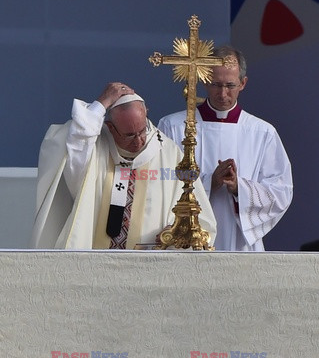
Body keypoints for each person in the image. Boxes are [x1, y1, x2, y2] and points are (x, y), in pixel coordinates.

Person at [30, 82, 216, 249]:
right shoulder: (95, 149)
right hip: (95, 262)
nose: (139, 141)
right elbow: (79, 136)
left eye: (142, 131)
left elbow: (194, 211)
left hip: (147, 266)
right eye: (129, 135)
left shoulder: (168, 153)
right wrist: (102, 103)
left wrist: (176, 228)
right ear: (110, 127)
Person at [158, 46, 293, 251]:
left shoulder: (262, 132)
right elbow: (158, 181)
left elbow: (281, 191)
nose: (223, 94)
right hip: (185, 240)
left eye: (230, 85)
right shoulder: (173, 126)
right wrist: (209, 183)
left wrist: (240, 188)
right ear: (204, 80)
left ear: (243, 83)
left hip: (239, 240)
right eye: (216, 85)